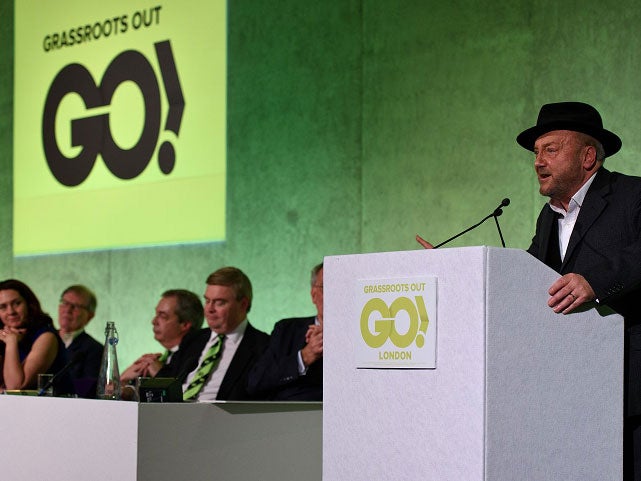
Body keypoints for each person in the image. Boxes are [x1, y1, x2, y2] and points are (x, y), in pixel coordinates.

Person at [417, 101, 641, 480]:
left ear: (588, 156)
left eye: (550, 150)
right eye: (536, 153)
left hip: (629, 387)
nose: (538, 161)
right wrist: (457, 273)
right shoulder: (548, 216)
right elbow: (529, 280)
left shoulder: (631, 195)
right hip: (570, 390)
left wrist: (595, 282)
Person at [180, 266, 270, 401]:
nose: (209, 309)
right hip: (173, 415)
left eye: (219, 302)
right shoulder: (193, 339)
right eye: (207, 301)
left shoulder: (263, 346)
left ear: (243, 304)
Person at [247, 263, 323, 400]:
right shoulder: (286, 330)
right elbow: (256, 382)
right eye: (327, 288)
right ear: (313, 295)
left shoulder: (362, 335)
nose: (336, 295)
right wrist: (304, 356)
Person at [0, 279, 70, 394]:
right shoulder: (3, 336)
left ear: (29, 304)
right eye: (3, 307)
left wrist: (11, 342)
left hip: (53, 408)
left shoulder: (46, 337)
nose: (11, 311)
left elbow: (15, 386)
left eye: (17, 303)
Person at [120, 289, 204, 384]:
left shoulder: (196, 358)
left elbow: (182, 393)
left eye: (162, 316)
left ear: (184, 324)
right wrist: (124, 380)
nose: (154, 321)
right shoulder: (160, 360)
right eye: (156, 314)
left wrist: (160, 373)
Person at [57, 284, 103, 397]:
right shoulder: (44, 340)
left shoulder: (94, 349)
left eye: (75, 306)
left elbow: (86, 390)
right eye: (65, 303)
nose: (68, 310)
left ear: (90, 316)